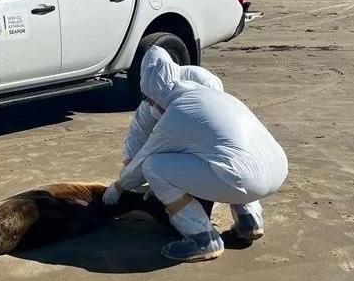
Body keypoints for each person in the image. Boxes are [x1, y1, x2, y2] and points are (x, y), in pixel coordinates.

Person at [102, 46, 288, 262]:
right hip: (276, 170)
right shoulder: (211, 95)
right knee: (224, 153)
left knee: (153, 167)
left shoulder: (179, 111)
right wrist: (129, 160)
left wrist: (118, 187)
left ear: (156, 95)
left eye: (152, 101)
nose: (151, 106)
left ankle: (202, 239)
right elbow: (139, 130)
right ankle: (250, 220)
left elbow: (145, 159)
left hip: (244, 180)